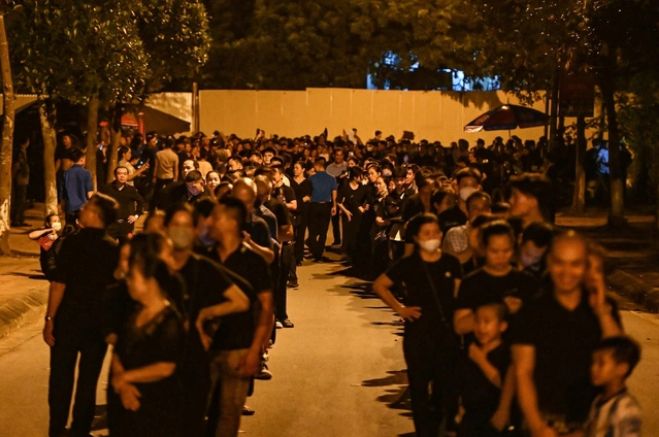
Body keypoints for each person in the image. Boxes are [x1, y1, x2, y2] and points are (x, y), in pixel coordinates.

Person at [511, 232, 623, 437]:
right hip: (546, 420)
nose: (567, 272)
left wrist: (602, 312)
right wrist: (538, 427)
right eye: (560, 263)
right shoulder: (531, 311)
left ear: (585, 266)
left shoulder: (604, 308)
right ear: (549, 262)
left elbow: (619, 361)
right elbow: (522, 372)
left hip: (593, 421)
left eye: (575, 264)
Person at [163, 203, 250, 437]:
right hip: (157, 358)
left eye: (186, 226)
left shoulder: (202, 266)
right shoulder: (154, 265)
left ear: (194, 230)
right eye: (175, 225)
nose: (180, 231)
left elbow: (240, 300)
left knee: (191, 423)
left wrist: (204, 316)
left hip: (192, 359)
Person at [372, 213, 462, 437]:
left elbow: (459, 296)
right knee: (419, 387)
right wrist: (400, 309)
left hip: (446, 332)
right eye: (427, 234)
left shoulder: (451, 262)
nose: (433, 237)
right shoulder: (409, 264)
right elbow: (380, 285)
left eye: (436, 233)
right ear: (417, 237)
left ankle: (440, 424)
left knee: (444, 386)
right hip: (418, 333)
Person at [43, 193, 120, 437]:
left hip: (68, 319)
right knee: (88, 380)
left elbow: (59, 284)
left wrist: (49, 319)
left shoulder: (72, 243)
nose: (82, 210)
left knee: (61, 378)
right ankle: (80, 429)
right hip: (97, 324)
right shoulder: (112, 247)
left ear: (95, 215)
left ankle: (57, 429)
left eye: (87, 207)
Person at [205, 197, 275, 437]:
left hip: (239, 346)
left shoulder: (252, 261)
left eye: (217, 217)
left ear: (232, 223)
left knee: (229, 413)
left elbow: (266, 306)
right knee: (198, 409)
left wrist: (257, 349)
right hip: (204, 345)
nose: (210, 222)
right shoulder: (204, 257)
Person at [108, 235, 185, 437]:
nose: (129, 282)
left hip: (157, 406)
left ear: (150, 280)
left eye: (133, 277)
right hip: (125, 404)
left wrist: (125, 377)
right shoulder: (134, 312)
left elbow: (167, 365)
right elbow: (118, 349)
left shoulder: (170, 321)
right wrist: (123, 384)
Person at [454, 220, 539, 336]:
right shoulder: (472, 282)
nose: (500, 256)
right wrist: (500, 308)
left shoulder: (527, 281)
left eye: (506, 251)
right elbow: (460, 326)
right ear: (485, 249)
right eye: (494, 251)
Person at [458, 303, 512, 437]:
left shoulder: (506, 353)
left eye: (487, 322)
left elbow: (504, 383)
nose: (481, 327)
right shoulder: (471, 350)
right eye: (477, 321)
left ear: (502, 326)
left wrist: (481, 361)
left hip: (493, 418)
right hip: (470, 418)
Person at [574, 336, 642, 437]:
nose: (593, 368)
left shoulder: (627, 409)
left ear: (622, 369)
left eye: (601, 364)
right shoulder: (599, 400)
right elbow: (588, 432)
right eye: (593, 362)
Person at [100, 166, 145, 239]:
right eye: (119, 174)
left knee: (125, 247)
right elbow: (99, 202)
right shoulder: (107, 189)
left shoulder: (131, 190)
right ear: (115, 175)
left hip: (126, 224)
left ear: (127, 176)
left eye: (124, 174)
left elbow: (141, 202)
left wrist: (136, 215)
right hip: (111, 224)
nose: (122, 176)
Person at [307, 157, 338, 262]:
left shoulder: (311, 178)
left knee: (312, 230)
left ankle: (314, 250)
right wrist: (334, 206)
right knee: (323, 231)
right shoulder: (332, 178)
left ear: (317, 165)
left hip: (314, 205)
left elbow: (309, 192)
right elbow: (334, 193)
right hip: (326, 205)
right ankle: (319, 254)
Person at [60, 148, 94, 226]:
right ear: (82, 159)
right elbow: (90, 194)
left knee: (70, 229)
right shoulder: (86, 173)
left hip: (70, 207)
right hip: (83, 207)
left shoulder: (66, 173)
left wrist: (62, 207)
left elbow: (62, 193)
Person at [29, 214, 63, 282]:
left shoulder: (61, 235)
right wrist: (47, 230)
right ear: (48, 223)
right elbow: (31, 235)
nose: (57, 223)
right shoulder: (47, 236)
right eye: (54, 221)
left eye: (58, 221)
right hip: (50, 267)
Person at [152, 137, 180, 204]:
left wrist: (154, 177)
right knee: (169, 194)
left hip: (160, 176)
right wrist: (175, 178)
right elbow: (176, 169)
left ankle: (154, 207)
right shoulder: (175, 156)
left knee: (157, 194)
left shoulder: (159, 154)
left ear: (164, 144)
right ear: (172, 145)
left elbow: (156, 167)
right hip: (170, 176)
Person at [11, 134, 30, 227]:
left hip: (22, 178)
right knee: (19, 199)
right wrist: (12, 177)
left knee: (21, 200)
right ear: (27, 142)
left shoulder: (22, 152)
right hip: (20, 179)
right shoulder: (20, 153)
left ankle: (20, 219)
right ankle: (16, 220)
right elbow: (17, 165)